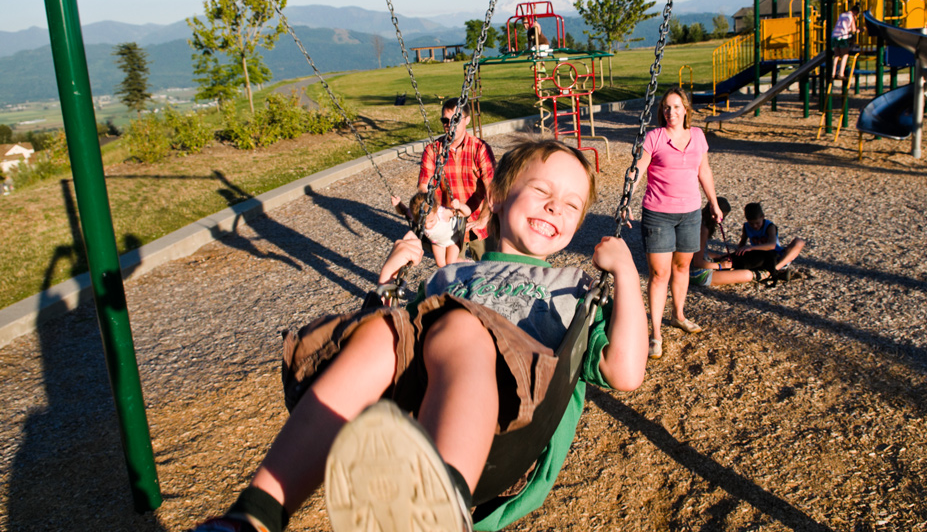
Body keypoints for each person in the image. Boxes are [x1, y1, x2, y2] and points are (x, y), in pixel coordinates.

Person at [192, 139, 647, 532]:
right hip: (425, 403)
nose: (555, 207)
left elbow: (625, 371)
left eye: (572, 205)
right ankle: (255, 513)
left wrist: (626, 273)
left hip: (515, 411)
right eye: (543, 191)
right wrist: (386, 289)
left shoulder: (572, 287)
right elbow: (400, 352)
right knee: (385, 331)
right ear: (499, 201)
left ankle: (438, 503)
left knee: (462, 324)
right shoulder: (452, 276)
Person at [627, 86, 721, 360]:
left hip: (690, 213)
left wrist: (713, 203)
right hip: (658, 214)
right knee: (659, 274)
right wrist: (626, 201)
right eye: (667, 107)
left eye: (677, 107)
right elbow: (639, 169)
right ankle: (655, 333)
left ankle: (679, 314)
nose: (671, 112)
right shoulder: (654, 137)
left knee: (682, 267)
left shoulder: (698, 136)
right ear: (662, 111)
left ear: (686, 110)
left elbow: (704, 170)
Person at [418, 97, 496, 261]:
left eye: (455, 120)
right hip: (448, 224)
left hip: (476, 219)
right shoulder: (433, 151)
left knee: (491, 268)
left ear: (467, 120)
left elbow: (493, 189)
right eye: (445, 121)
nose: (450, 125)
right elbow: (424, 187)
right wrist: (432, 214)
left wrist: (483, 219)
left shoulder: (480, 149)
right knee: (450, 272)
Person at [684, 198, 774, 300]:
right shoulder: (703, 229)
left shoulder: (695, 221)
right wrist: (720, 266)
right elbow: (698, 262)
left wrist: (718, 256)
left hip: (685, 269)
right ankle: (766, 274)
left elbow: (696, 251)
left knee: (730, 264)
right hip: (697, 275)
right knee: (747, 275)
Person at [391, 191, 472, 268]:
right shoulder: (418, 215)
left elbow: (467, 213)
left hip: (453, 240)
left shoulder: (442, 213)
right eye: (423, 223)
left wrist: (460, 206)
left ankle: (465, 264)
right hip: (437, 243)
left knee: (450, 262)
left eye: (431, 221)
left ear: (436, 209)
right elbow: (404, 211)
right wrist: (398, 204)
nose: (427, 226)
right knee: (441, 264)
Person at [735, 202, 805, 274]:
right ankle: (773, 271)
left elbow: (772, 245)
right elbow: (742, 243)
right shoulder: (746, 226)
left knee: (799, 242)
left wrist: (751, 247)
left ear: (762, 217)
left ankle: (776, 268)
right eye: (751, 224)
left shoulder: (770, 226)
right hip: (759, 257)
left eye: (757, 223)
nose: (755, 226)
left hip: (775, 255)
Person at [831, 4, 861, 80]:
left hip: (834, 35)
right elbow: (853, 30)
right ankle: (841, 73)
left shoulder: (842, 15)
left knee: (836, 55)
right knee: (845, 55)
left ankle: (833, 73)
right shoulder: (851, 16)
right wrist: (860, 30)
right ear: (855, 12)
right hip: (843, 36)